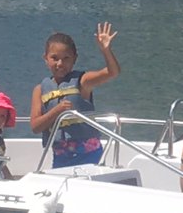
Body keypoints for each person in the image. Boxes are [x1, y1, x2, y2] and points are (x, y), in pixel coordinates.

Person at [30, 23, 121, 168]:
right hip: (61, 157)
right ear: (46, 59)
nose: (60, 63)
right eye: (55, 58)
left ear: (74, 59)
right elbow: (35, 127)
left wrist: (106, 50)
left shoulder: (83, 81)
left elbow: (113, 72)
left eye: (66, 58)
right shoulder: (40, 90)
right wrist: (57, 111)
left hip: (90, 156)